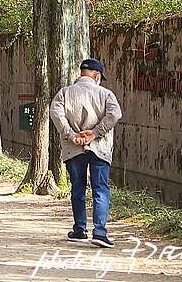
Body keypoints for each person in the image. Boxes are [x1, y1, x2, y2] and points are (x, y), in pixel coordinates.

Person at [50, 58, 122, 248]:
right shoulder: (106, 94)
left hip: (74, 148)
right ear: (97, 75)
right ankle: (99, 232)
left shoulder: (64, 93)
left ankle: (80, 229)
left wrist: (71, 135)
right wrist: (95, 133)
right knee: (100, 188)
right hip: (100, 148)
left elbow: (55, 113)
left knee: (78, 188)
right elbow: (115, 114)